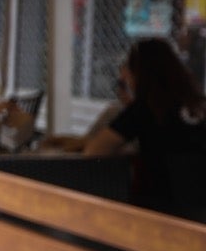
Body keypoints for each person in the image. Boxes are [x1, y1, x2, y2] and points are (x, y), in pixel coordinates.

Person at [81, 37, 206, 219]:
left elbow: (94, 150)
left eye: (128, 70)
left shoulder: (147, 108)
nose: (125, 78)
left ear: (139, 73)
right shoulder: (199, 105)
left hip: (162, 210)